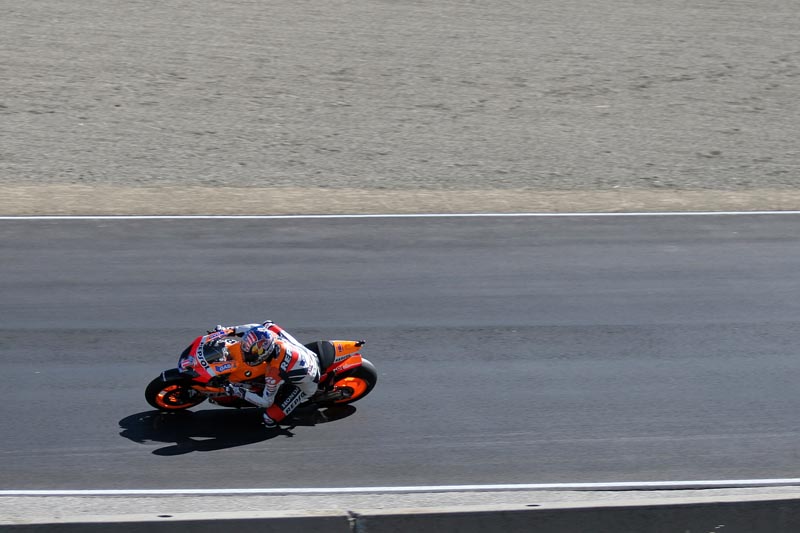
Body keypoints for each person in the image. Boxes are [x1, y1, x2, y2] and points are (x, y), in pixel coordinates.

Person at [212, 321, 320, 428]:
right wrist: (227, 330)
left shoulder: (273, 372)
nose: (246, 356)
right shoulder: (269, 336)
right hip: (305, 355)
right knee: (268, 324)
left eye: (251, 354)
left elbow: (266, 402)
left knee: (269, 419)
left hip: (308, 383)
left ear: (264, 353)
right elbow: (255, 328)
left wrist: (237, 391)